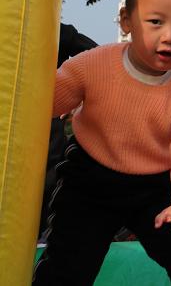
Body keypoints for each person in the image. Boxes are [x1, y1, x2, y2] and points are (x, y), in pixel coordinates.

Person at [33, 0, 171, 285]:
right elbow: (46, 102)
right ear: (126, 20)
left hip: (156, 189)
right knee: (68, 262)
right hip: (90, 178)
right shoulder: (94, 65)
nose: (170, 36)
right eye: (156, 22)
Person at [39, 24, 98, 242]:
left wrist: (79, 97)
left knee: (48, 183)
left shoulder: (55, 30)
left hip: (45, 124)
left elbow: (100, 58)